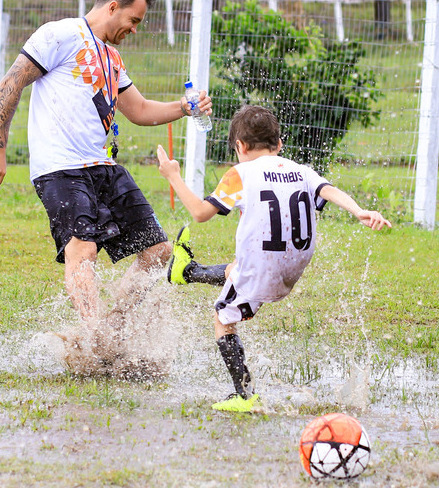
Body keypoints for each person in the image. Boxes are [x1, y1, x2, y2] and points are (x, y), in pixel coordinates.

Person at [0, 0, 210, 360]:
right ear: (112, 6)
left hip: (102, 165)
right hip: (60, 168)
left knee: (157, 249)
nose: (134, 30)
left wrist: (184, 108)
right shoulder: (59, 34)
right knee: (82, 249)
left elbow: (138, 110)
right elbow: (11, 83)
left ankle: (111, 330)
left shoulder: (112, 58)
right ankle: (95, 339)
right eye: (133, 20)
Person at [156, 105, 389, 413]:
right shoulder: (301, 170)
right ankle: (187, 271)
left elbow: (200, 213)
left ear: (240, 146)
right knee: (238, 269)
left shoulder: (240, 173)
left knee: (223, 319)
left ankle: (244, 395)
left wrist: (173, 175)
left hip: (263, 269)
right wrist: (359, 211)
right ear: (279, 144)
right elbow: (328, 191)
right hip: (293, 268)